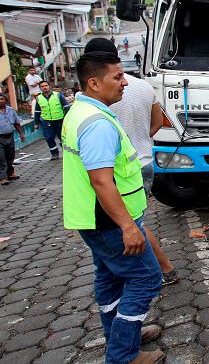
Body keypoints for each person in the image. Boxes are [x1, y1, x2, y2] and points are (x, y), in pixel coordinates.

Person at [62, 51, 164, 364]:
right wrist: (128, 226)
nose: (124, 83)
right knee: (147, 278)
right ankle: (123, 354)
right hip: (110, 222)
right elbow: (102, 181)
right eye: (117, 77)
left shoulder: (84, 112)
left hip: (94, 220)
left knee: (108, 280)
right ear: (93, 83)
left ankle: (122, 333)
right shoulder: (96, 124)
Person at [85, 38, 178, 285]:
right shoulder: (144, 87)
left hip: (115, 172)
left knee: (130, 225)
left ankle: (164, 269)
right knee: (133, 222)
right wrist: (138, 140)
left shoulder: (95, 96)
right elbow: (159, 123)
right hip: (144, 161)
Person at [34, 80, 70, 160]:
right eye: (42, 86)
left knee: (62, 138)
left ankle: (66, 152)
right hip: (47, 122)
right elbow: (37, 111)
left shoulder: (58, 95)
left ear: (49, 86)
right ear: (40, 88)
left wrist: (68, 119)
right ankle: (54, 153)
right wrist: (36, 123)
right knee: (49, 138)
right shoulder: (39, 98)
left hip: (60, 120)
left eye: (46, 85)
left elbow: (66, 107)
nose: (44, 87)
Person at [0, 93, 25, 186]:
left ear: (5, 100)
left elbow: (16, 123)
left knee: (10, 156)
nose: (0, 101)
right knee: (1, 158)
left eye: (2, 99)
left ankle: (10, 173)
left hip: (9, 136)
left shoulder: (10, 110)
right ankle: (2, 178)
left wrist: (21, 134)